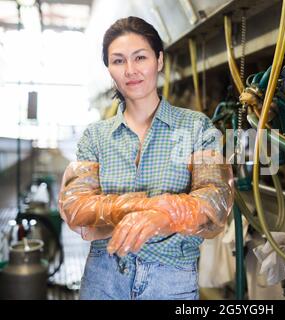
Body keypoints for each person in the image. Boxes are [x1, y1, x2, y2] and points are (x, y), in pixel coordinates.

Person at [58, 16, 234, 300]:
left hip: (171, 279)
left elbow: (215, 197)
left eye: (140, 57)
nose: (130, 70)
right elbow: (76, 204)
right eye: (118, 61)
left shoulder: (195, 127)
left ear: (159, 60)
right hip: (104, 277)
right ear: (109, 69)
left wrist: (163, 216)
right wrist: (148, 208)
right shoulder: (95, 136)